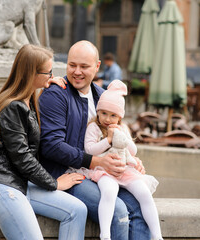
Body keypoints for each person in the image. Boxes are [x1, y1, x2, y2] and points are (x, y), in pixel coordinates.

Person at [39, 40, 151, 240]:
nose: (77, 72)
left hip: (102, 173)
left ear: (97, 66)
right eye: (72, 65)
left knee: (141, 207)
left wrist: (131, 161)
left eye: (84, 66)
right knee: (118, 212)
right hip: (70, 174)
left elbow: (118, 134)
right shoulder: (56, 94)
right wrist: (98, 161)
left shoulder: (104, 97)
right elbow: (51, 145)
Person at [0, 44, 87, 240]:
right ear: (31, 74)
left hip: (19, 183)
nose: (52, 76)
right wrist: (54, 183)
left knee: (77, 210)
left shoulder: (28, 100)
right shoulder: (11, 107)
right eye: (48, 72)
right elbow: (23, 158)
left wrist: (48, 83)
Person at [81, 80, 162, 240]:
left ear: (119, 117)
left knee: (144, 194)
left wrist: (122, 136)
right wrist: (108, 140)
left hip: (124, 170)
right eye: (103, 113)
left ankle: (157, 235)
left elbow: (133, 150)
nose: (108, 119)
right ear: (98, 111)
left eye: (113, 115)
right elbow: (89, 150)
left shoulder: (122, 128)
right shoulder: (93, 127)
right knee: (109, 192)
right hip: (103, 170)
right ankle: (105, 234)